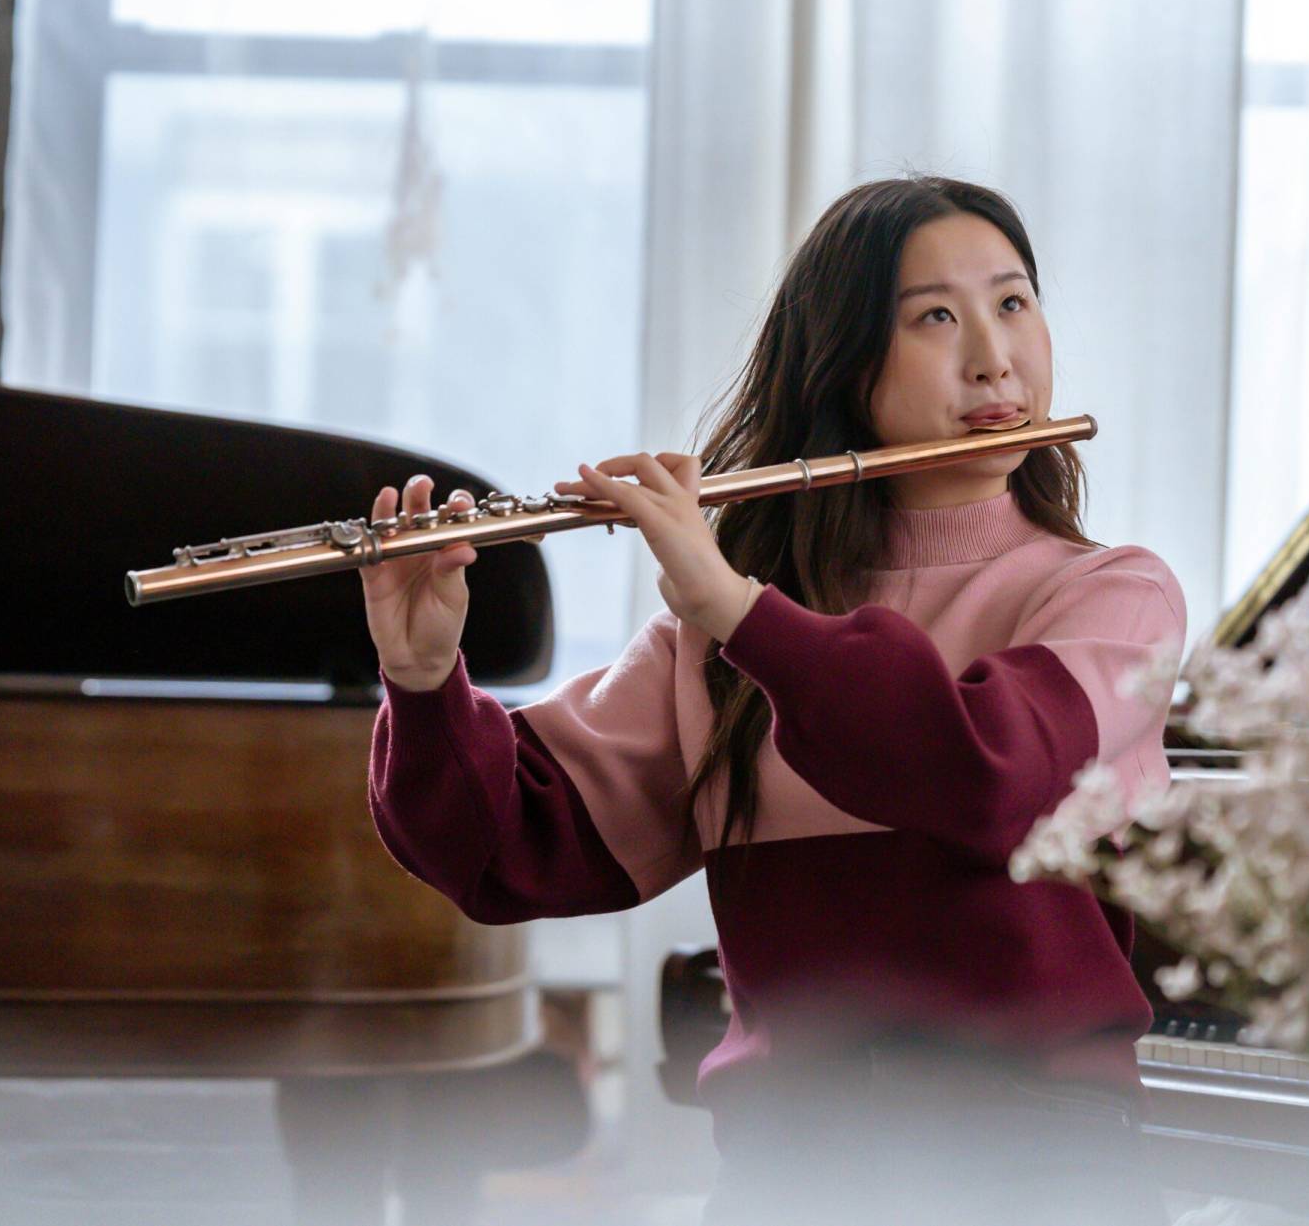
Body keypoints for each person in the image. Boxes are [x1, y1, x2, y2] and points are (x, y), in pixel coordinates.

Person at [360, 175, 1184, 1226]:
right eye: (936, 315)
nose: (994, 356)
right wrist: (425, 681)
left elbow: (983, 772)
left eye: (1013, 302)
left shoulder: (1112, 596)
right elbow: (509, 849)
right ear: (843, 364)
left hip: (1040, 1173)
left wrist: (736, 608)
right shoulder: (722, 638)